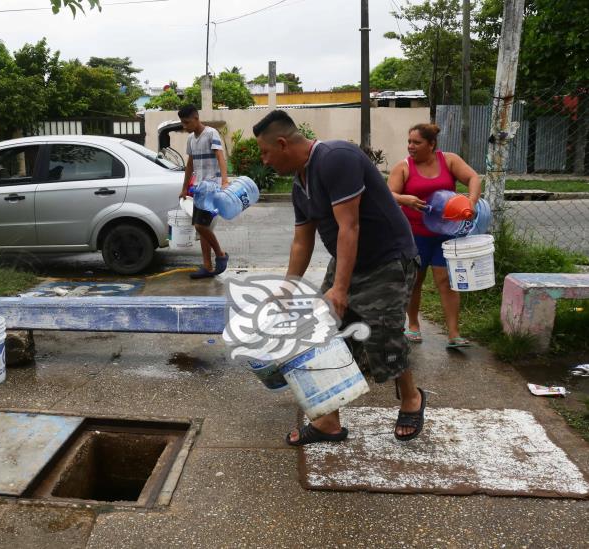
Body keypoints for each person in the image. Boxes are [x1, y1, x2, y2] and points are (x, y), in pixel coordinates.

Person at [253, 110, 425, 445]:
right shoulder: (299, 184)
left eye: (265, 152)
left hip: (386, 259)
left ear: (284, 143)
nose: (264, 160)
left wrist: (340, 288)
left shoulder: (335, 159)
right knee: (326, 335)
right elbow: (302, 240)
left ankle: (411, 398)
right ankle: (328, 422)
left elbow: (350, 226)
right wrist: (287, 289)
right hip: (348, 260)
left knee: (383, 336)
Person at [387, 123, 481, 348]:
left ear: (431, 144)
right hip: (415, 234)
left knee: (446, 281)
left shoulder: (448, 160)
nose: (411, 146)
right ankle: (413, 326)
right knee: (415, 281)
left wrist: (471, 201)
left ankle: (454, 334)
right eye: (409, 142)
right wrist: (405, 199)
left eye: (416, 142)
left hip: (447, 233)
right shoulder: (404, 167)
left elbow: (473, 178)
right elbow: (387, 194)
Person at [178, 105, 230, 279]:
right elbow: (190, 165)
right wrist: (185, 187)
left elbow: (220, 157)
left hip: (212, 186)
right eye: (182, 123)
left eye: (187, 122)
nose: (185, 126)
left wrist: (224, 180)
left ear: (196, 118)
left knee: (200, 225)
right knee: (202, 228)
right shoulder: (191, 139)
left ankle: (221, 255)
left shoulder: (211, 133)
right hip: (199, 188)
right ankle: (207, 266)